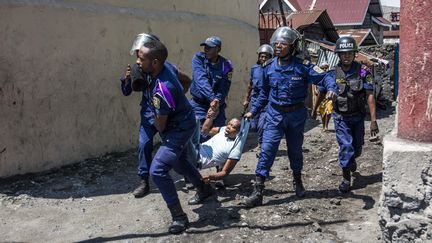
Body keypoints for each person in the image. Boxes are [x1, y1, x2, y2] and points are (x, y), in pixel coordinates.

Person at [243, 27, 337, 207]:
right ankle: (258, 189)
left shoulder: (303, 67)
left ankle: (297, 180)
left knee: (295, 151)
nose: (278, 46)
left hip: (295, 115)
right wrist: (253, 111)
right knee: (267, 150)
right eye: (276, 43)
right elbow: (263, 94)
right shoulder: (268, 68)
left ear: (293, 47)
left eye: (283, 44)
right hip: (274, 114)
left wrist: (332, 88)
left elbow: (325, 77)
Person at [136, 40, 213, 234]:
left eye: (141, 58)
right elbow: (186, 79)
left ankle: (179, 216)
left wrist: (150, 116)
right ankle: (203, 188)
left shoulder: (162, 90)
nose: (137, 61)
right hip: (184, 120)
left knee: (158, 171)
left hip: (178, 128)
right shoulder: (165, 66)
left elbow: (160, 125)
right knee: (178, 163)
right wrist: (177, 101)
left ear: (154, 62)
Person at [120, 33, 192, 199]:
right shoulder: (137, 68)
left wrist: (176, 98)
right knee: (144, 144)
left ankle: (189, 177)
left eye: (141, 53)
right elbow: (126, 91)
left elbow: (186, 80)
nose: (138, 57)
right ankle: (144, 181)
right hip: (148, 114)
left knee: (179, 146)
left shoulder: (166, 68)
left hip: (165, 115)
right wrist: (127, 79)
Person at [328, 36, 379, 193]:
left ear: (355, 54)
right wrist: (329, 96)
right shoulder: (332, 74)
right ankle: (345, 178)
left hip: (357, 117)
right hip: (340, 117)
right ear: (338, 55)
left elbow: (370, 95)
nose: (346, 56)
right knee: (346, 146)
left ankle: (351, 161)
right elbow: (325, 90)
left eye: (349, 53)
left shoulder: (364, 71)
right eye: (343, 53)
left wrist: (373, 120)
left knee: (356, 148)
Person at [189, 36, 234, 143]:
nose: (206, 50)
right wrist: (212, 99)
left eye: (210, 47)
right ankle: (196, 158)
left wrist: (216, 103)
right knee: (197, 134)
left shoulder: (226, 65)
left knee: (219, 136)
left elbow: (224, 87)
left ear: (218, 49)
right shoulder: (198, 59)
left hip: (218, 105)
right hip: (199, 104)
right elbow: (200, 80)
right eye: (205, 47)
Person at [188, 118, 250, 186]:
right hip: (197, 146)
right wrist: (210, 118)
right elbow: (205, 131)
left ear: (238, 132)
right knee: (195, 119)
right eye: (229, 124)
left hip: (197, 159)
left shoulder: (235, 150)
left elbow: (225, 172)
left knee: (185, 141)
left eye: (233, 127)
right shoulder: (223, 129)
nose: (228, 127)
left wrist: (210, 177)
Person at [243, 44, 274, 157]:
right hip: (256, 101)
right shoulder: (254, 69)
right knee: (254, 126)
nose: (263, 59)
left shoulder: (273, 69)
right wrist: (247, 99)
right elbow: (250, 84)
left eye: (266, 57)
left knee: (262, 125)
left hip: (267, 102)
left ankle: (261, 145)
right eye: (261, 56)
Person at [311, 62, 333, 132]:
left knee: (328, 110)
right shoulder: (318, 76)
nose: (324, 69)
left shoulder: (330, 75)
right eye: (323, 68)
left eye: (326, 68)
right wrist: (315, 90)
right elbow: (315, 86)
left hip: (328, 97)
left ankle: (326, 126)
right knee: (322, 111)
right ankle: (324, 125)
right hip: (321, 97)